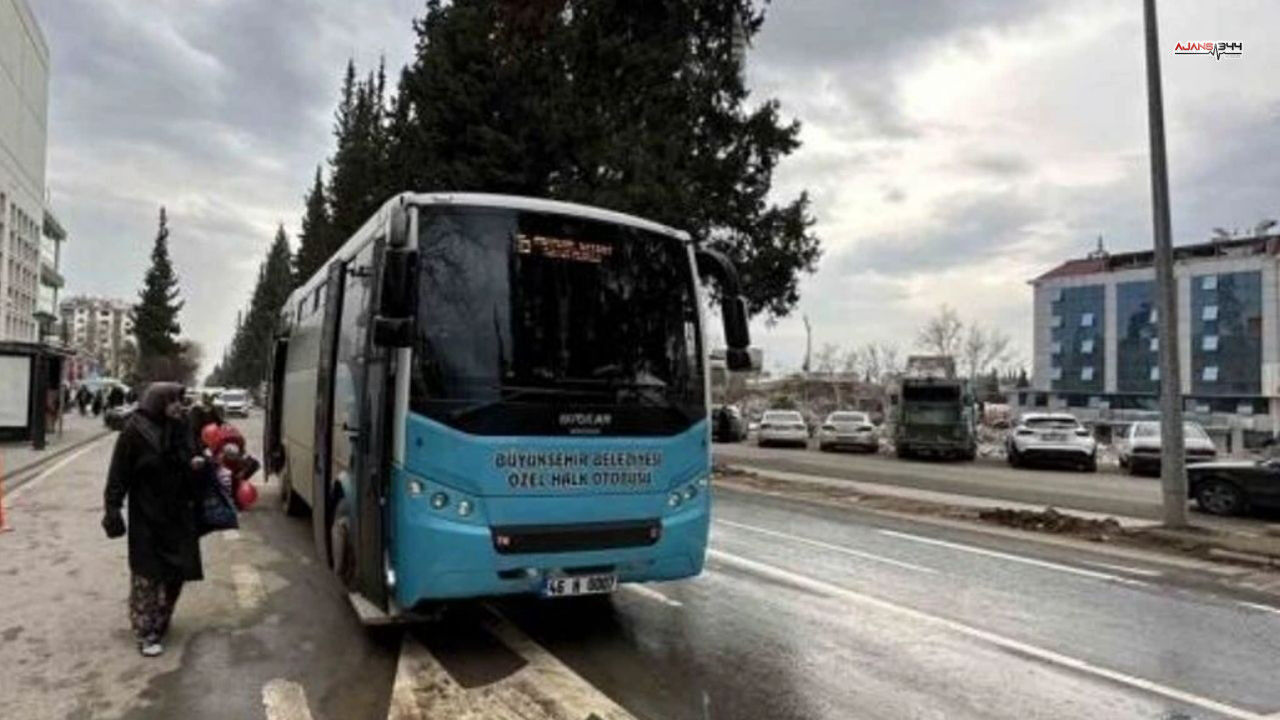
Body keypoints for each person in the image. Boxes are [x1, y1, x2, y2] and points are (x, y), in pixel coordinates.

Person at [102, 382, 206, 657]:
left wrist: (197, 463)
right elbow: (118, 475)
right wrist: (112, 509)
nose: (178, 406)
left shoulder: (182, 428)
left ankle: (161, 619)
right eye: (173, 400)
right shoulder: (134, 432)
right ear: (158, 402)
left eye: (180, 401)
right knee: (147, 576)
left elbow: (193, 454)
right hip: (147, 515)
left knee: (177, 573)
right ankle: (145, 630)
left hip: (179, 514)